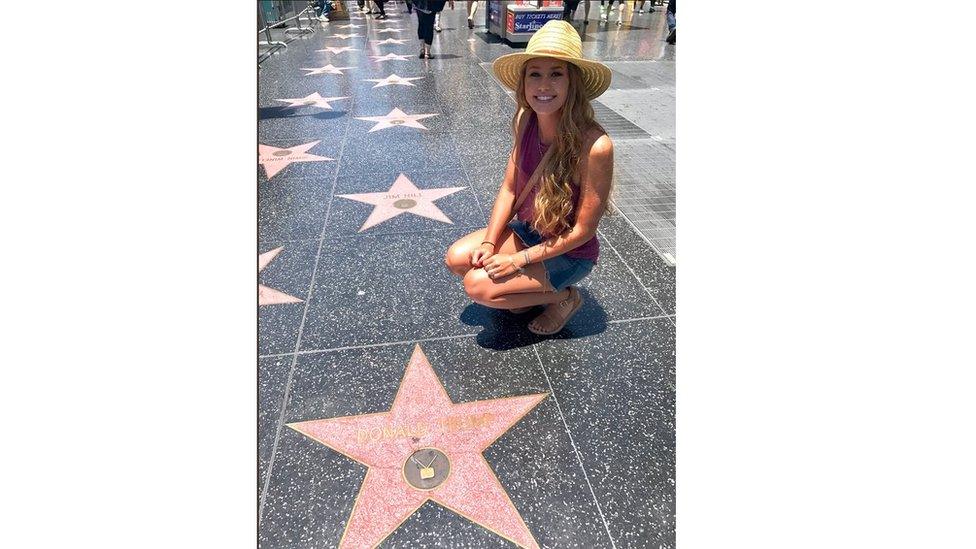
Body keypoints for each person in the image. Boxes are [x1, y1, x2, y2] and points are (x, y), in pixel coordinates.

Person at [444, 20, 615, 336]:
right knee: (458, 259)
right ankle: (529, 289)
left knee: (479, 288)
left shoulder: (595, 146)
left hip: (569, 252)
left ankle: (565, 297)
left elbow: (583, 230)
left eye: (556, 74)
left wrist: (518, 260)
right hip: (529, 231)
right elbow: (510, 188)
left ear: (572, 82)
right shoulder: (526, 119)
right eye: (535, 73)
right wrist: (489, 240)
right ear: (523, 82)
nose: (544, 85)